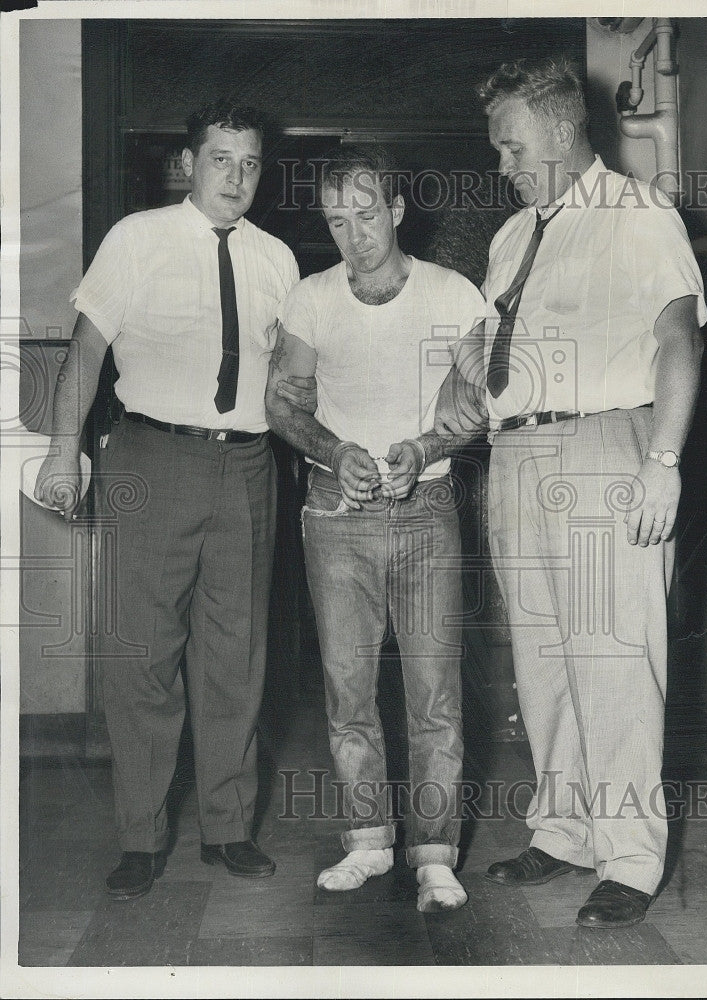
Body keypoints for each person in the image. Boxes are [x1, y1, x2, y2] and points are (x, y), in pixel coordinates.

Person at [391, 56, 707, 929]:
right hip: (516, 461)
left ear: (563, 131)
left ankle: (632, 859)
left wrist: (664, 461)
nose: (502, 165)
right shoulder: (512, 236)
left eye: (510, 146)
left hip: (606, 447)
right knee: (542, 662)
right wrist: (459, 386)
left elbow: (677, 338)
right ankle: (563, 831)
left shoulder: (637, 214)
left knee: (612, 661)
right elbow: (489, 355)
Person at [34, 100, 315, 900]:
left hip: (250, 466)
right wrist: (64, 454)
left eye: (250, 163)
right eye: (220, 159)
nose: (236, 177)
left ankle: (227, 828)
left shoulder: (277, 260)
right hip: (151, 458)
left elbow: (295, 382)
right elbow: (86, 349)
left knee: (236, 656)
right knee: (141, 655)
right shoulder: (137, 238)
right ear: (190, 163)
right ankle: (140, 835)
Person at [265, 145, 485, 913]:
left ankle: (434, 853)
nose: (353, 234)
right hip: (336, 516)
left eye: (366, 215)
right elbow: (282, 403)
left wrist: (425, 446)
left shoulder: (454, 294)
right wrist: (337, 452)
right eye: (336, 219)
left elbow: (478, 401)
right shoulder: (311, 298)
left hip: (426, 513)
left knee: (434, 696)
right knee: (347, 691)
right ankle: (366, 843)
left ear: (395, 210)